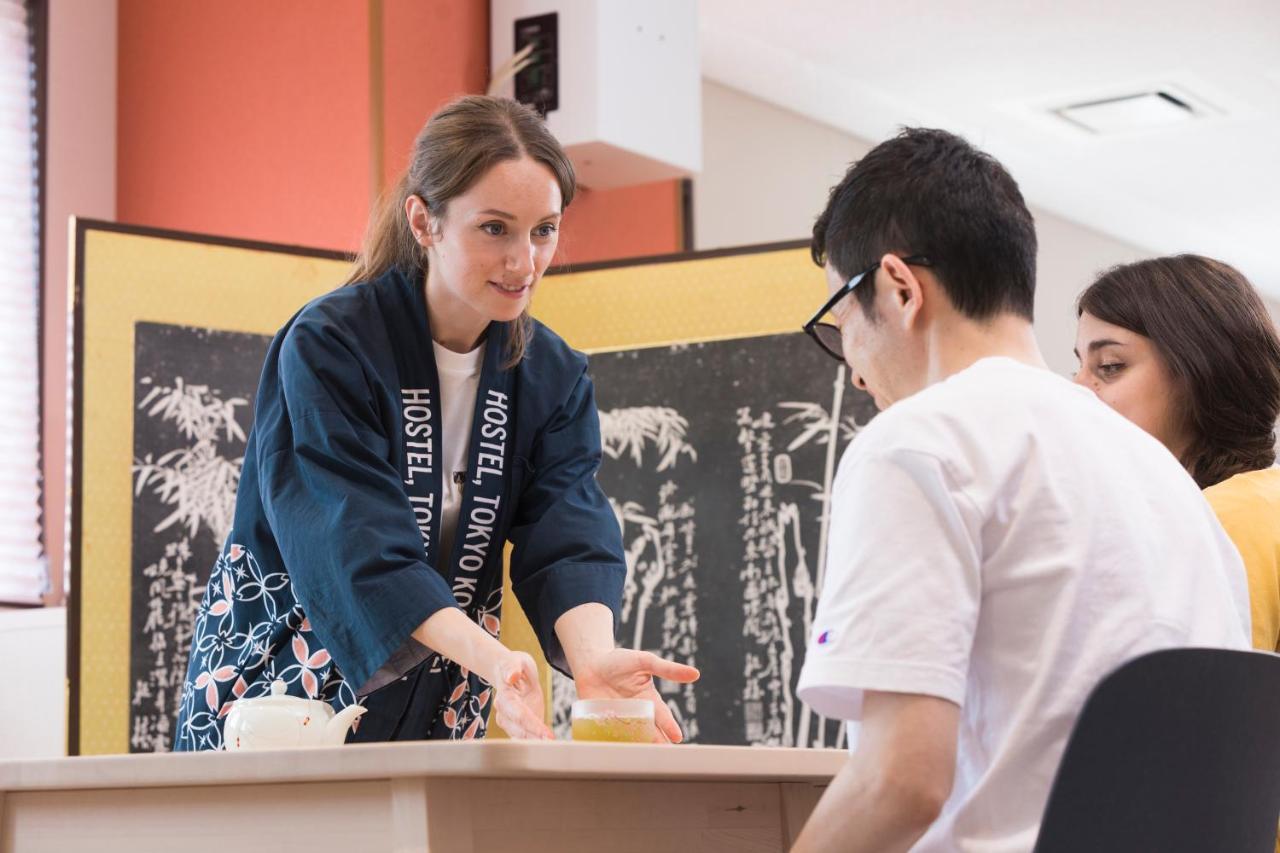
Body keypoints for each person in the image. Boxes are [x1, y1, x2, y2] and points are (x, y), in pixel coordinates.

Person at [174, 95, 697, 750]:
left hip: (447, 684)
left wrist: (592, 659)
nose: (524, 261)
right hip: (293, 675)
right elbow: (354, 537)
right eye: (495, 228)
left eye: (544, 230)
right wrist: (493, 657)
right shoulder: (331, 345)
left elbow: (570, 530)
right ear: (425, 221)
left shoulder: (552, 374)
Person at [790, 128, 1250, 852]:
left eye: (842, 321)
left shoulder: (919, 443)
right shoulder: (1168, 478)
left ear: (899, 288)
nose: (850, 366)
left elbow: (899, 782)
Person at [1074, 255, 1280, 653]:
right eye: (1078, 367)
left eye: (1110, 366)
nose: (1079, 389)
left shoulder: (1230, 516)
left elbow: (1209, 704)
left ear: (1200, 370)